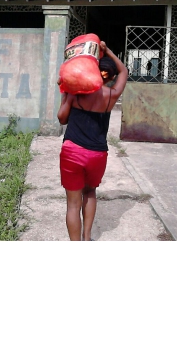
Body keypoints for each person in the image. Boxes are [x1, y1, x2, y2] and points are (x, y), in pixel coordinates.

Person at [57, 41, 128, 241]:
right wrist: (107, 50)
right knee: (90, 193)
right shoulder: (112, 95)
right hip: (97, 154)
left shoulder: (76, 92)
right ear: (111, 77)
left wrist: (65, 94)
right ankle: (87, 237)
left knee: (72, 204)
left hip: (72, 151)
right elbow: (125, 71)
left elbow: (62, 118)